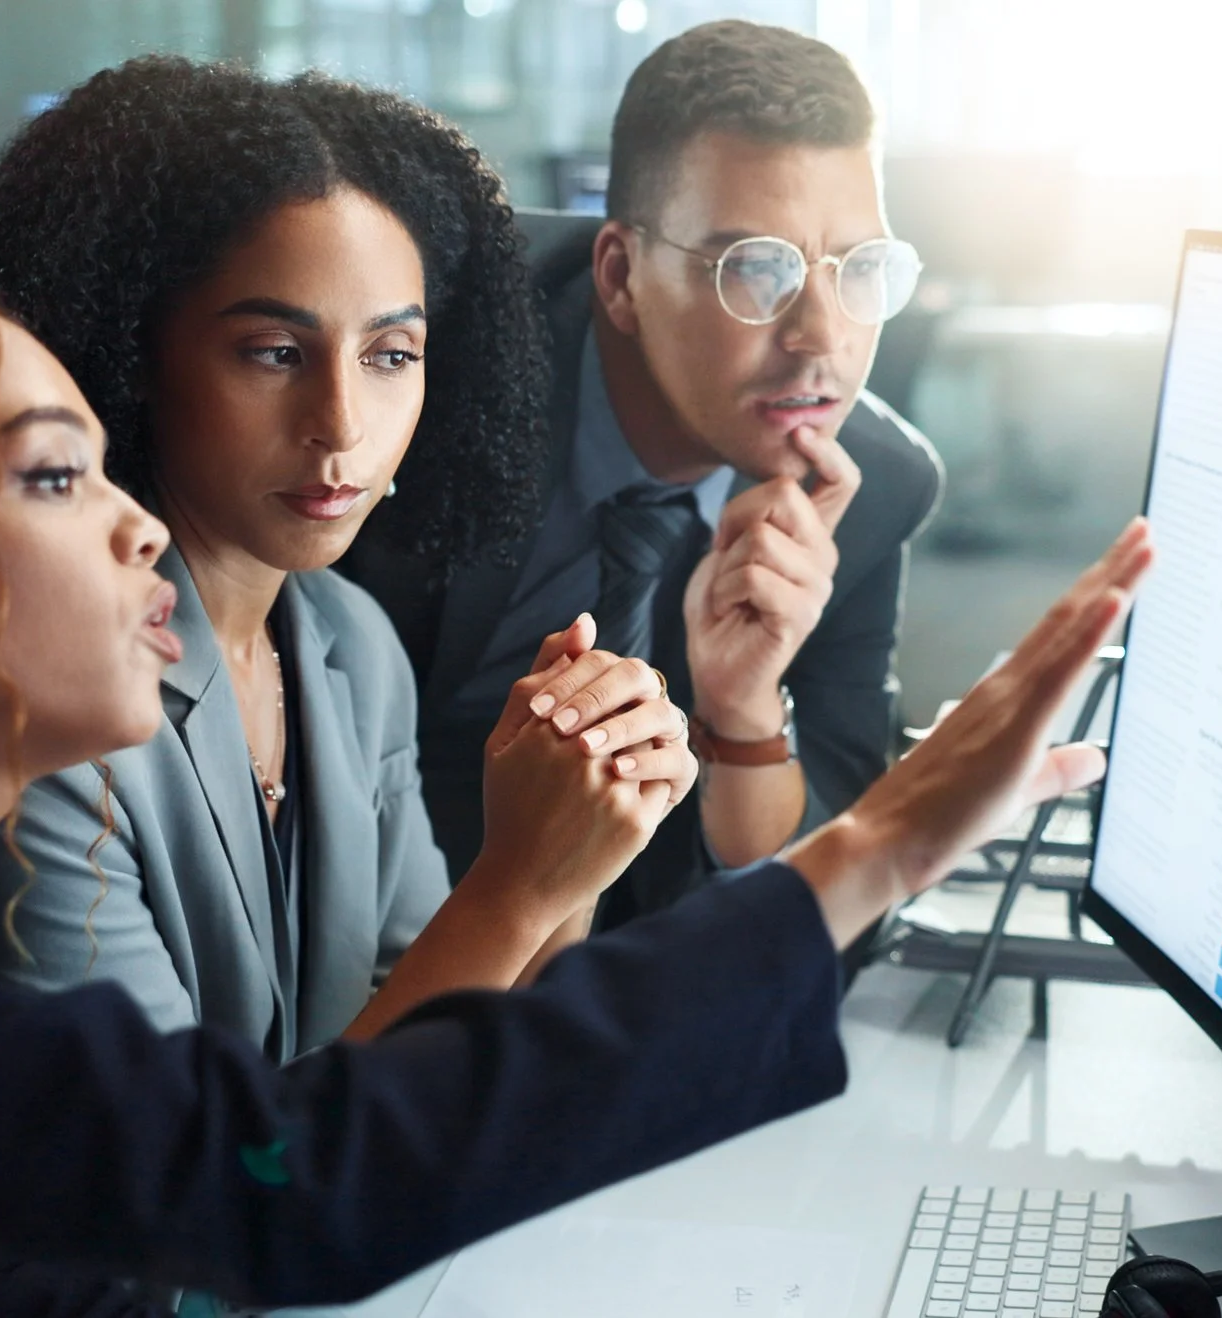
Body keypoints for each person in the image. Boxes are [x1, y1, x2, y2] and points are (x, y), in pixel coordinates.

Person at [0, 109, 1152, 1315]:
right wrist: (879, 842)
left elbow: (43, 1269)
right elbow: (271, 1178)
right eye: (50, 475)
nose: (132, 521)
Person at [0, 61, 686, 1051]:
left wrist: (579, 841)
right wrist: (514, 886)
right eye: (274, 351)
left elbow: (435, 1048)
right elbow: (194, 1175)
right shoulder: (49, 712)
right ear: (128, 349)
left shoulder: (350, 644)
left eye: (390, 356)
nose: (341, 424)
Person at [341, 19, 946, 933]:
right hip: (358, 908)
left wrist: (744, 714)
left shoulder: (870, 486)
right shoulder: (433, 345)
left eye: (862, 268)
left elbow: (835, 876)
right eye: (759, 270)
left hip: (624, 962)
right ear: (621, 275)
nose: (823, 336)